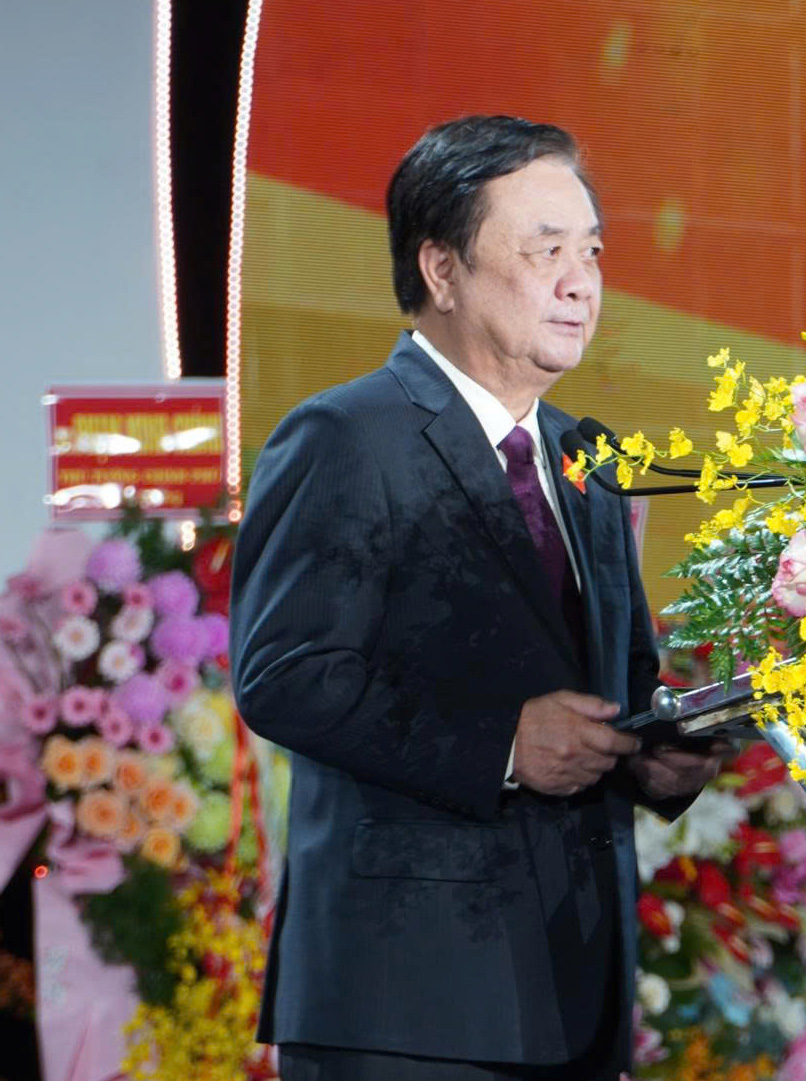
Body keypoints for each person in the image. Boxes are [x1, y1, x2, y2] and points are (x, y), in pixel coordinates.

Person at [230, 115, 722, 1081]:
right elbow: (283, 674)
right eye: (545, 251)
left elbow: (615, 686)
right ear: (442, 269)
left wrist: (662, 754)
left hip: (572, 987)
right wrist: (503, 744)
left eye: (591, 251)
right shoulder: (345, 436)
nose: (580, 282)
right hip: (406, 998)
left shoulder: (587, 456)